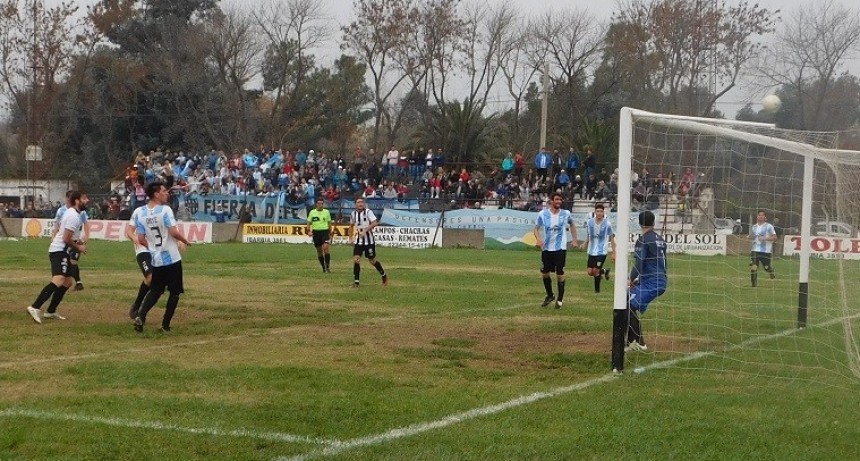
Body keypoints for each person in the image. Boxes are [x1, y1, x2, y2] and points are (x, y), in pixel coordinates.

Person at [611, 210, 667, 374]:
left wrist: (630, 279)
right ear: (653, 223)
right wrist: (638, 281)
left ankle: (638, 342)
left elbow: (640, 262)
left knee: (628, 304)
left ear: (640, 223)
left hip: (652, 282)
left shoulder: (643, 240)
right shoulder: (659, 239)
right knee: (626, 300)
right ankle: (633, 341)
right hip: (657, 279)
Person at [133, 182, 192, 333]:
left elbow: (140, 239)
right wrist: (185, 240)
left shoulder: (140, 213)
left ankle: (140, 316)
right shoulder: (165, 210)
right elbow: (173, 232)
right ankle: (165, 326)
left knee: (155, 291)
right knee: (175, 292)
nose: (167, 193)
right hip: (171, 258)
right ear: (156, 194)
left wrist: (153, 249)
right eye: (164, 191)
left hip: (156, 259)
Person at [26, 191, 89, 324]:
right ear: (77, 201)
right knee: (59, 279)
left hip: (62, 251)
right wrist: (79, 247)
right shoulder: (74, 216)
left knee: (67, 282)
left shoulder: (73, 213)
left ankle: (50, 311)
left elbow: (68, 235)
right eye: (84, 198)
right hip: (59, 251)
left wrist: (77, 241)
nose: (87, 200)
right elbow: (66, 238)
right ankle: (35, 307)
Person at [533, 192, 578, 309]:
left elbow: (572, 225)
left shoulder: (566, 213)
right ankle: (550, 295)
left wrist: (574, 240)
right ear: (551, 201)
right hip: (547, 248)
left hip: (560, 248)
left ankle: (560, 299)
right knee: (545, 273)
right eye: (557, 199)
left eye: (560, 200)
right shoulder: (543, 214)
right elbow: (536, 228)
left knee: (560, 273)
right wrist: (538, 239)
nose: (559, 202)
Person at [52, 191, 90, 291]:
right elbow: (57, 224)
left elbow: (86, 223)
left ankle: (78, 282)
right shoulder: (61, 210)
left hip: (76, 241)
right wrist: (53, 236)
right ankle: (64, 281)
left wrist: (86, 236)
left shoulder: (81, 212)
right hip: (64, 242)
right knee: (68, 262)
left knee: (73, 262)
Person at [350, 197, 388, 287]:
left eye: (361, 202)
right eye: (358, 202)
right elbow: (351, 226)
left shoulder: (368, 212)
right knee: (356, 259)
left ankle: (383, 275)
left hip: (369, 241)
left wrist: (365, 230)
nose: (360, 204)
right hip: (359, 241)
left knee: (372, 260)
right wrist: (350, 238)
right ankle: (356, 282)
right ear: (355, 204)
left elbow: (375, 223)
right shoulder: (353, 214)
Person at [126, 203, 154, 320]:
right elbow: (129, 231)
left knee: (157, 283)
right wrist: (134, 238)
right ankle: (138, 306)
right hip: (143, 250)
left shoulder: (164, 211)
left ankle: (142, 310)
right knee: (150, 277)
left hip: (157, 251)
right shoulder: (139, 211)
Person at [582, 203, 616, 294]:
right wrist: (585, 243)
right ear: (595, 212)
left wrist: (614, 252)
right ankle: (605, 271)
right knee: (590, 272)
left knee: (595, 271)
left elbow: (611, 237)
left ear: (603, 212)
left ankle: (597, 292)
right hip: (591, 251)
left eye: (601, 211)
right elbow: (589, 235)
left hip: (602, 252)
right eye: (598, 211)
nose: (599, 213)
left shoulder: (607, 224)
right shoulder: (590, 222)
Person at [749, 209, 777, 287]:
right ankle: (754, 285)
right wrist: (750, 237)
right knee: (754, 266)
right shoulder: (754, 227)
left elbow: (775, 237)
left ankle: (771, 270)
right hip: (755, 250)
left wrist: (765, 238)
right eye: (759, 215)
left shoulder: (769, 226)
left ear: (765, 217)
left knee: (766, 267)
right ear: (757, 216)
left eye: (762, 215)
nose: (760, 216)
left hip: (766, 251)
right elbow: (753, 237)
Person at [306, 197, 333, 273]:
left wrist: (330, 232)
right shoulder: (312, 212)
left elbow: (329, 223)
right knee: (319, 251)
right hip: (316, 232)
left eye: (322, 204)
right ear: (316, 204)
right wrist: (309, 231)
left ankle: (327, 266)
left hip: (325, 232)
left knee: (326, 247)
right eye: (319, 203)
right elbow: (308, 223)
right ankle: (323, 267)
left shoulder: (326, 212)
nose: (321, 205)